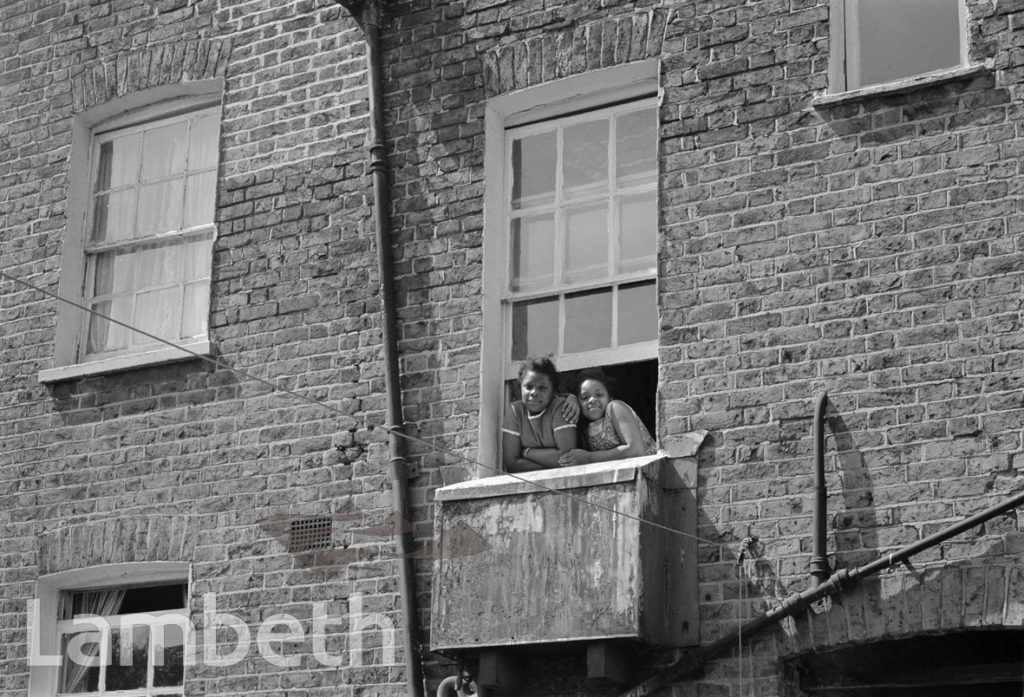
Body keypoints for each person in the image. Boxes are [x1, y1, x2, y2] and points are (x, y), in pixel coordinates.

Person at [558, 368, 657, 467]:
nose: (592, 400)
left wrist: (588, 458)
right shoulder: (585, 429)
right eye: (584, 397)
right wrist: (570, 397)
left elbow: (635, 450)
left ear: (610, 397)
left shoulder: (615, 407)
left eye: (599, 395)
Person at [502, 357, 578, 472]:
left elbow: (566, 457)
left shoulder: (560, 407)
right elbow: (512, 464)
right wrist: (551, 463)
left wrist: (526, 452)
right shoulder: (514, 411)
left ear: (553, 391)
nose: (534, 393)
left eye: (542, 388)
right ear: (520, 388)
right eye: (528, 387)